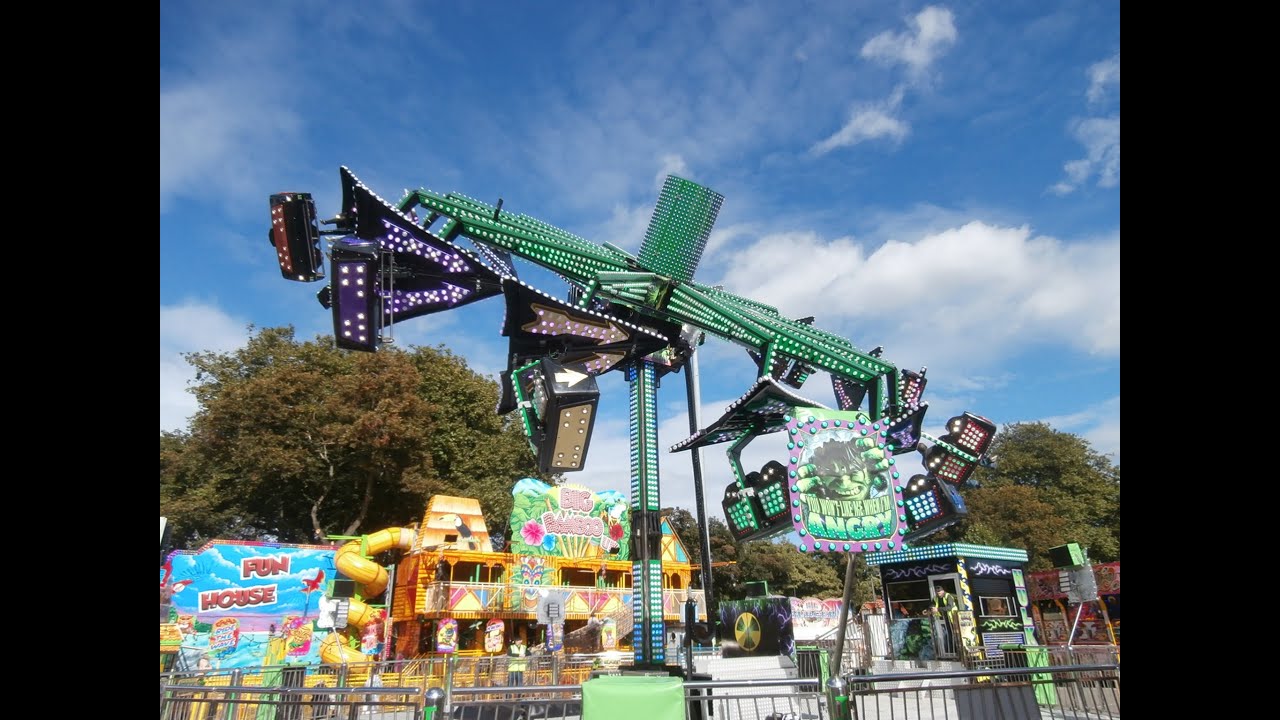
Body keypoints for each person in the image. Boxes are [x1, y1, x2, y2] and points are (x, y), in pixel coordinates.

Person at [930, 586, 959, 656]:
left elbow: (949, 607)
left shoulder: (948, 596)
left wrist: (938, 609)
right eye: (937, 593)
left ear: (943, 591)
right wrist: (929, 609)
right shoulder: (935, 598)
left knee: (956, 635)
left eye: (939, 592)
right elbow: (932, 605)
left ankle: (958, 652)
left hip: (954, 618)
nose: (938, 594)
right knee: (950, 635)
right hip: (945, 619)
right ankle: (952, 652)